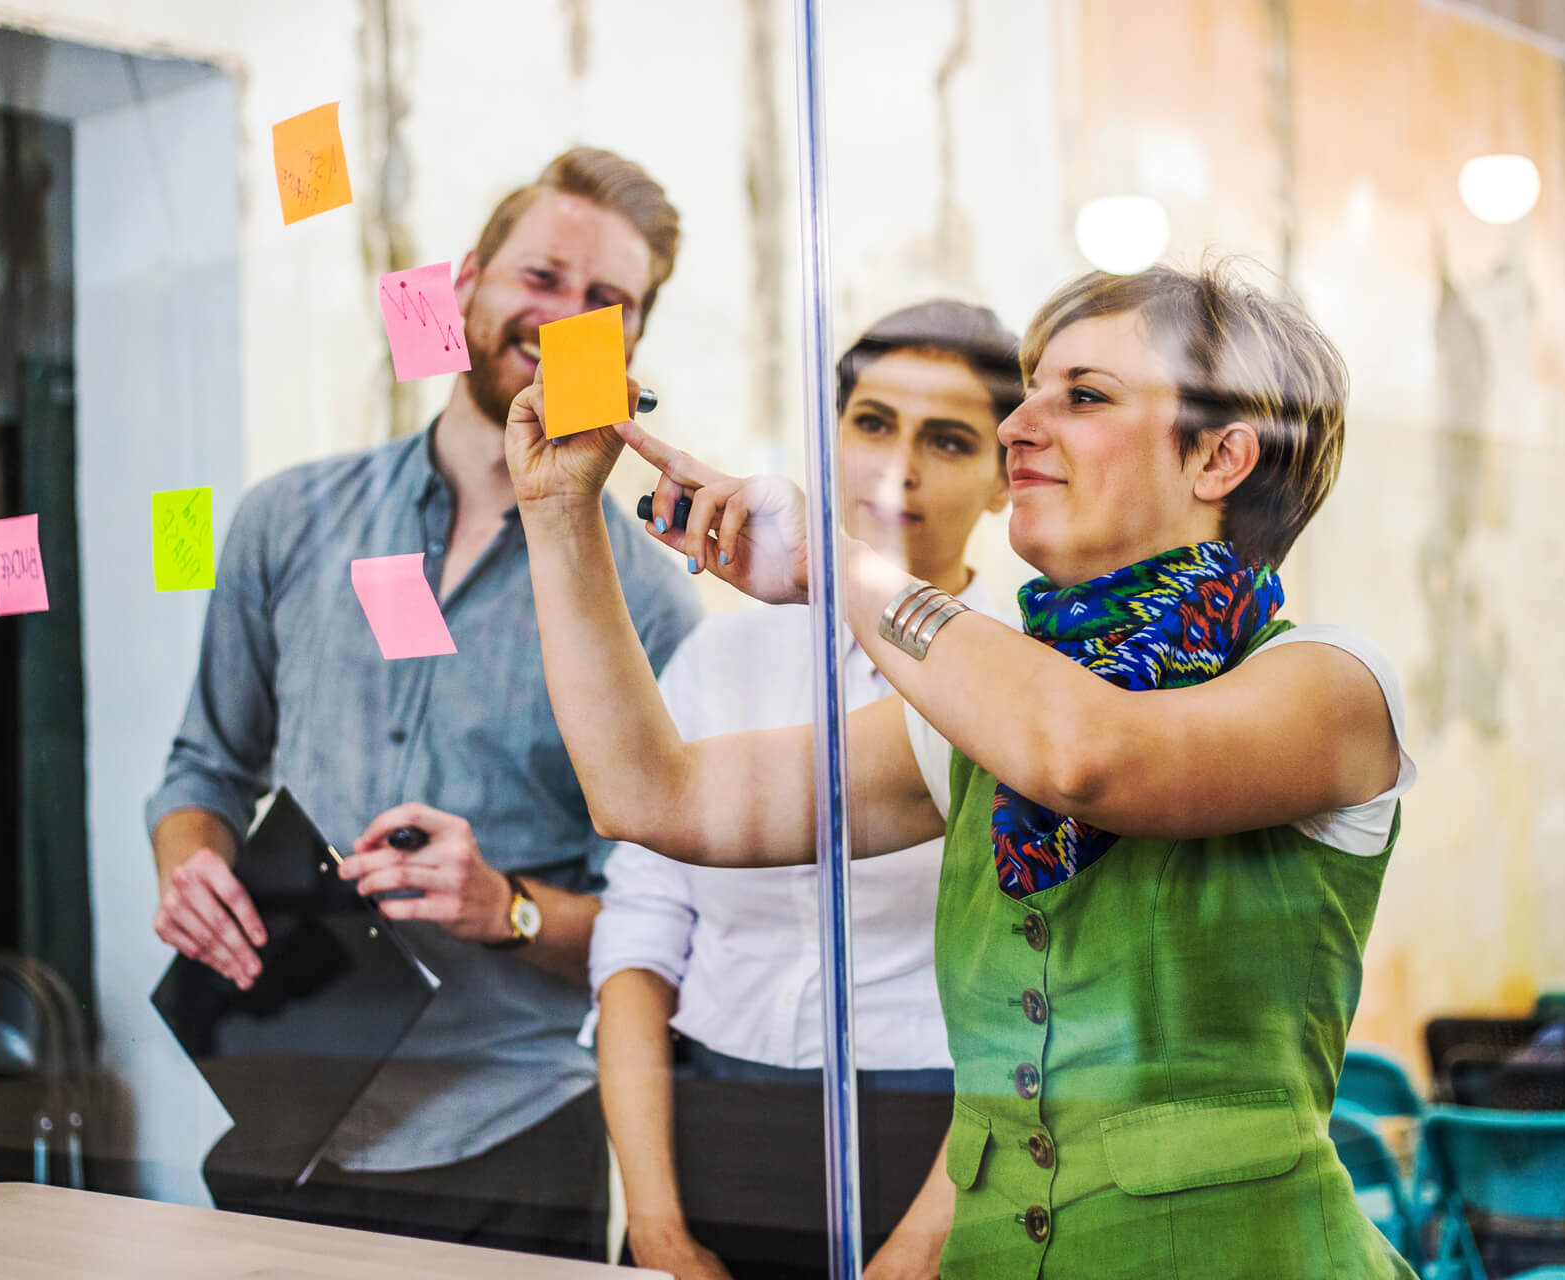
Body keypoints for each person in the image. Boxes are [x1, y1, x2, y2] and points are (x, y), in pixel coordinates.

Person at [504, 262, 1420, 1278]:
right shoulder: (979, 713)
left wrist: (833, 560)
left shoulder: (1331, 683)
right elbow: (651, 795)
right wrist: (559, 514)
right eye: (1027, 391)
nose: (1019, 426)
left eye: (1081, 394)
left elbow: (1087, 753)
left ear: (1220, 456)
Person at [144, 148, 702, 1258]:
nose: (562, 318)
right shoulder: (286, 519)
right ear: (465, 290)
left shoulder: (651, 602)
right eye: (540, 277)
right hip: (275, 1096)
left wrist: (509, 906)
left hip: (506, 1135)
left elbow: (671, 922)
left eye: (605, 303)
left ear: (631, 345)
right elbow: (203, 767)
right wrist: (189, 864)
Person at [591, 301, 1021, 1280]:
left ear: (1005, 476)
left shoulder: (1021, 678)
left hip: (939, 1138)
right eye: (873, 422)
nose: (897, 466)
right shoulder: (722, 651)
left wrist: (918, 1252)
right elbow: (640, 933)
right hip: (702, 1122)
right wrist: (656, 1228)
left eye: (948, 439)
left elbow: (1039, 1002)